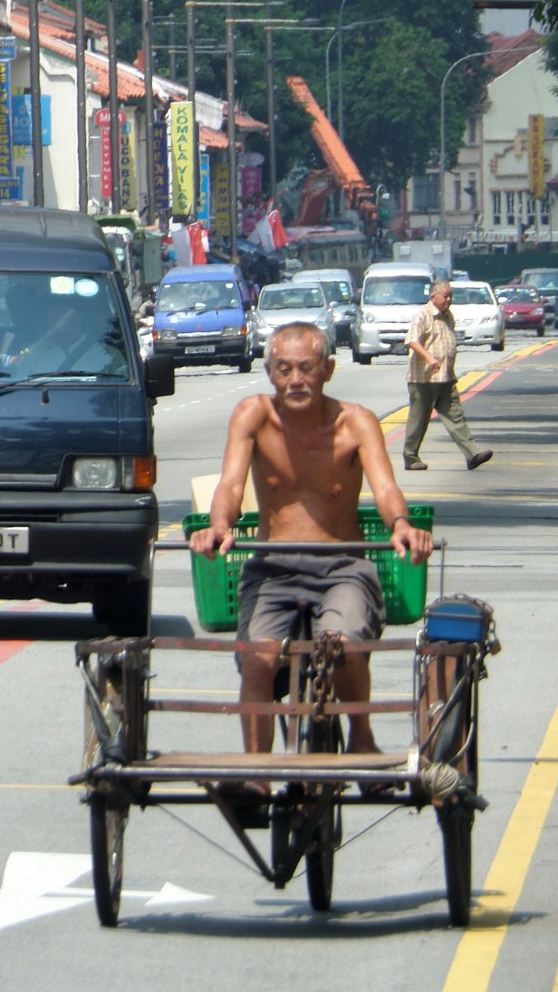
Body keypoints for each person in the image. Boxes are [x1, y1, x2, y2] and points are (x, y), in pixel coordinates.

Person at [190, 323, 432, 767]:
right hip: (271, 568)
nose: (295, 380)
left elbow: (384, 488)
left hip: (342, 568)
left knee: (341, 645)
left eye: (306, 368)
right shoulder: (253, 415)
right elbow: (229, 483)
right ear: (269, 373)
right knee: (258, 659)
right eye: (284, 369)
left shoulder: (355, 422)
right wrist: (219, 524)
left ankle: (361, 735)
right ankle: (256, 772)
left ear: (328, 371)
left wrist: (399, 523)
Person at [403, 280, 493, 472]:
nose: (449, 300)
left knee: (455, 416)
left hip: (446, 377)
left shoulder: (448, 316)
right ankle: (411, 458)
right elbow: (411, 341)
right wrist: (430, 359)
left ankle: (472, 454)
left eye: (450, 296)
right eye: (445, 296)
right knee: (419, 420)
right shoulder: (422, 315)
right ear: (433, 296)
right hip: (423, 378)